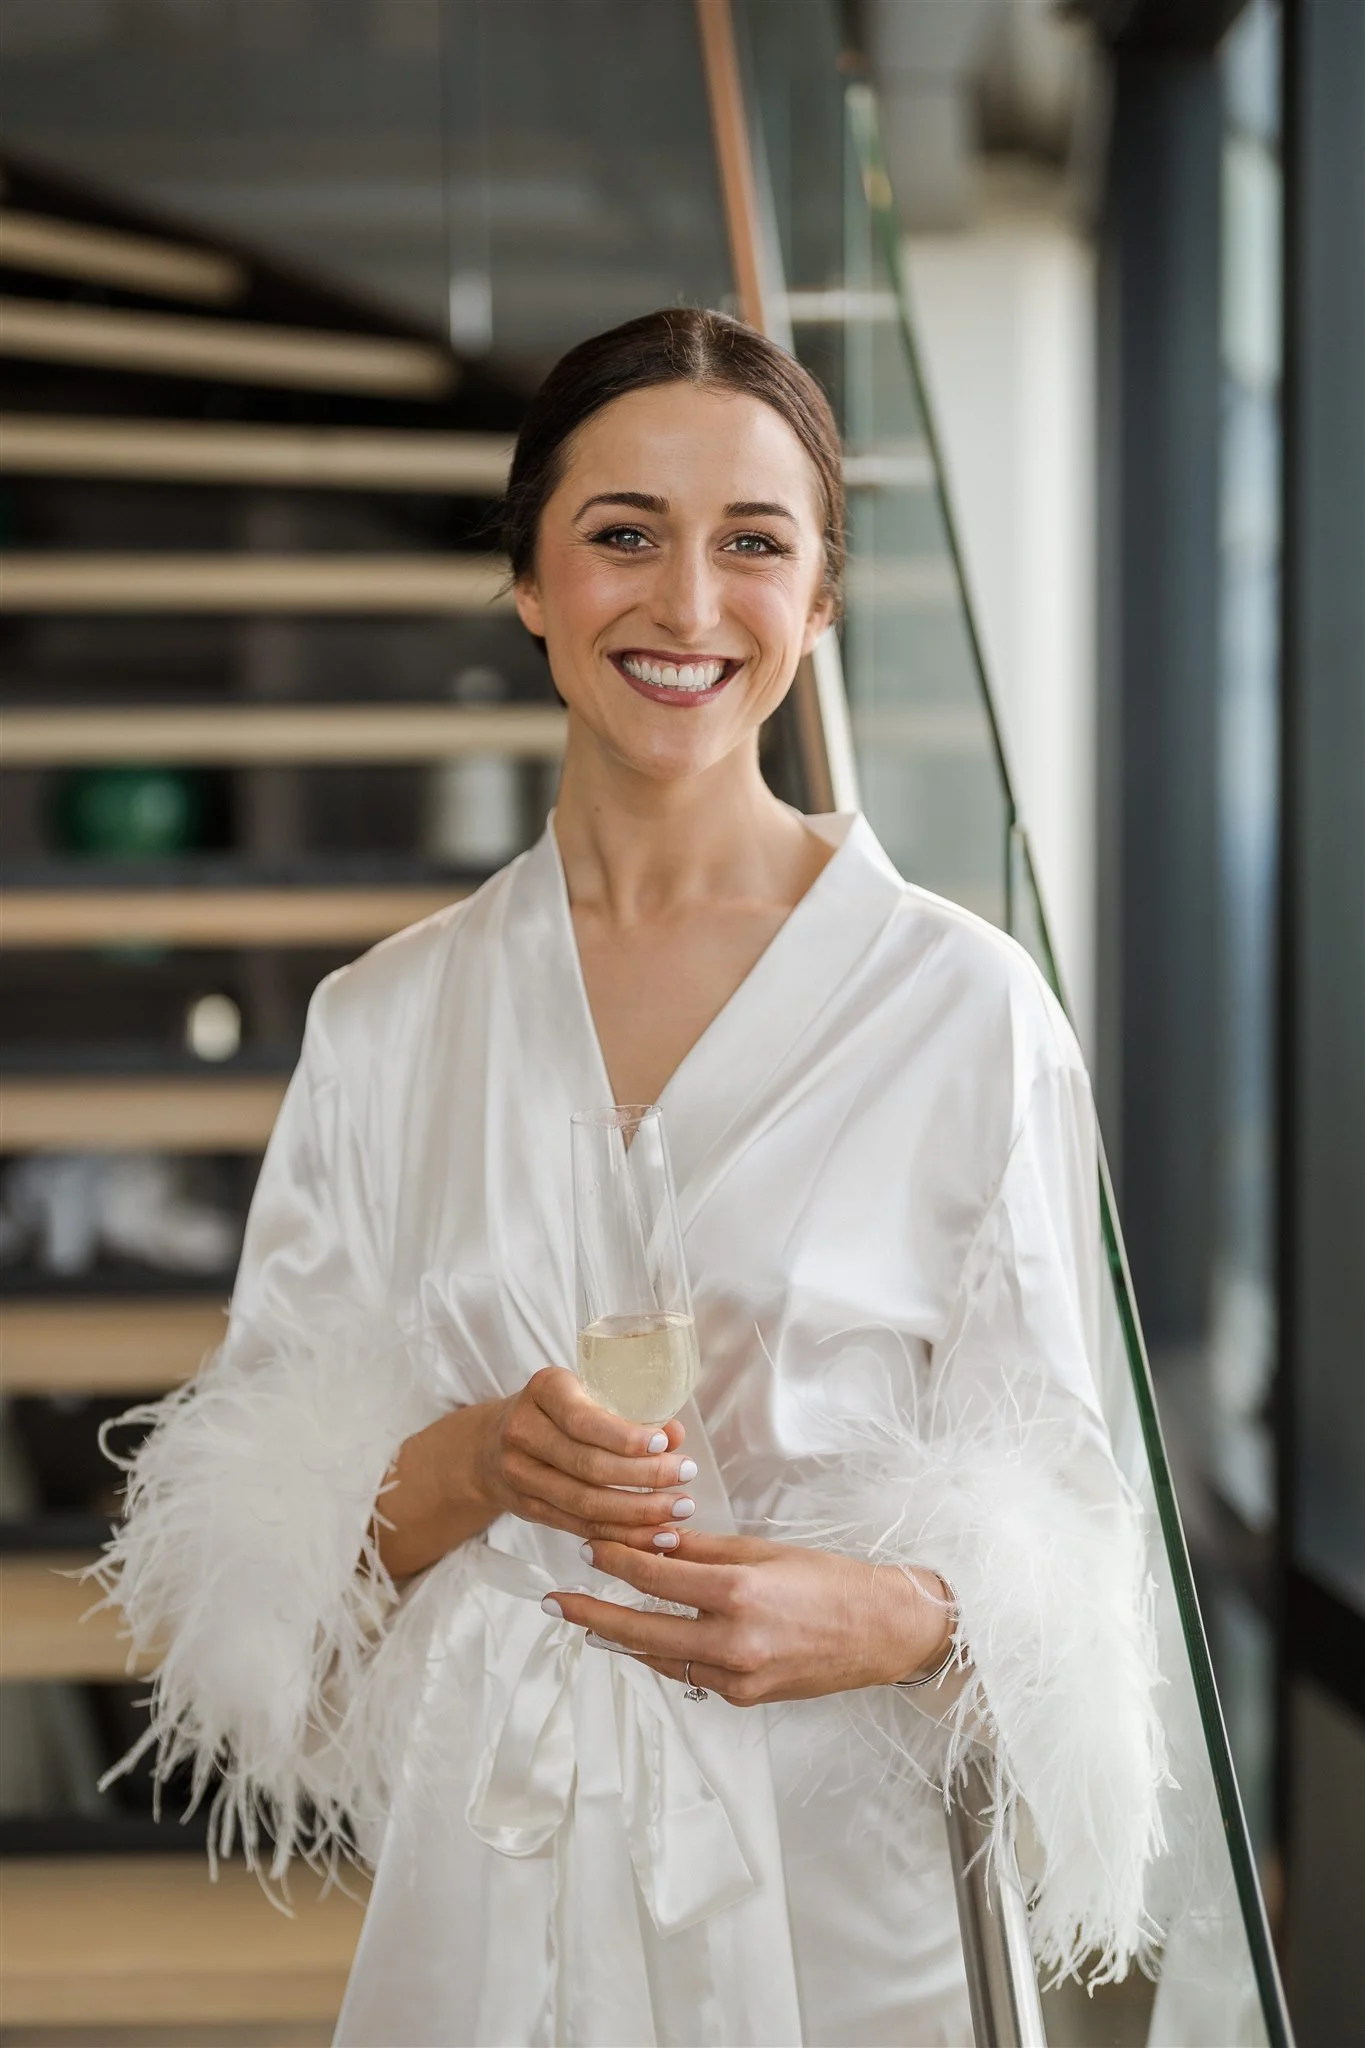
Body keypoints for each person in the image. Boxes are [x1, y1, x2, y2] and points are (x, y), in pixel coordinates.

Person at [96, 308, 1165, 2048]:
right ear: (529, 578)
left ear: (820, 601)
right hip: (493, 1886)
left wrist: (888, 1615)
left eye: (753, 544)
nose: (686, 605)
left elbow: (1076, 1536)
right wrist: (470, 1466)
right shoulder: (386, 1024)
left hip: (850, 1907)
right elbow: (255, 1570)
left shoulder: (967, 1012)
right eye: (623, 535)